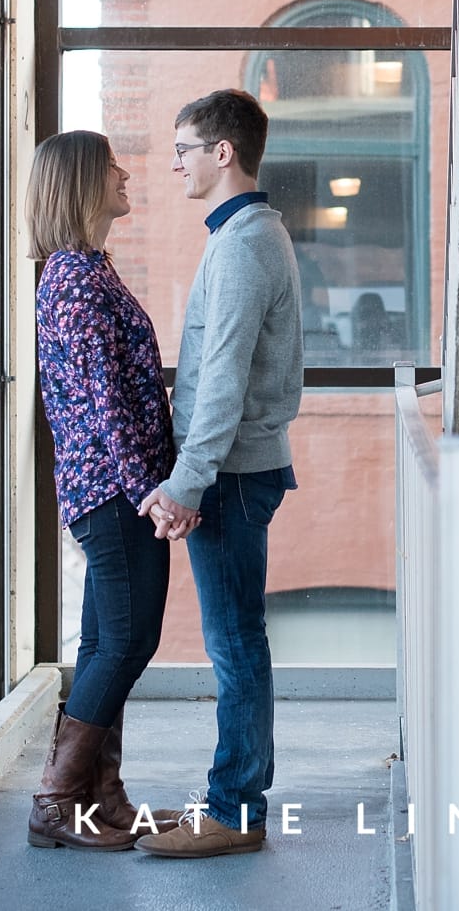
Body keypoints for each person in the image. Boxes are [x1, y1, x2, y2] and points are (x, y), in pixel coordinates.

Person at [134, 90, 304, 859]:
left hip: (231, 475)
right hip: (234, 471)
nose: (175, 163)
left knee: (236, 642)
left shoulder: (242, 245)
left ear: (222, 152)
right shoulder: (248, 234)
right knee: (237, 638)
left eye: (184, 148)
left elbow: (221, 377)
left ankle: (235, 808)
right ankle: (229, 796)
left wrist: (185, 482)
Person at [23, 131, 185, 852]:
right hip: (115, 492)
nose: (125, 174)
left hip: (110, 488)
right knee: (128, 638)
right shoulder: (77, 280)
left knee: (101, 643)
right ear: (84, 183)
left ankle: (100, 795)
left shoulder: (86, 269)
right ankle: (56, 802)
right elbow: (105, 403)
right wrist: (151, 489)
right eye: (111, 166)